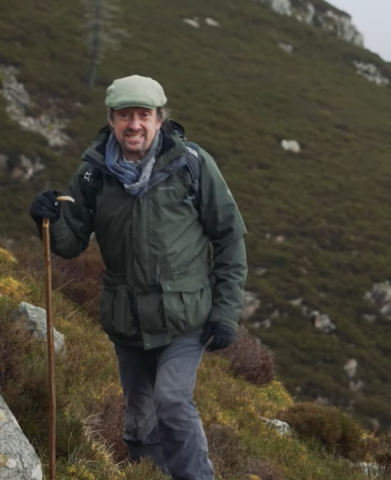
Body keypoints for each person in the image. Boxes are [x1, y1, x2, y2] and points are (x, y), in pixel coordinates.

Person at [28, 74, 248, 480]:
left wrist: (226, 313)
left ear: (159, 120)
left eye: (143, 115)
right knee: (140, 419)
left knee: (172, 400)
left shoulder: (191, 165)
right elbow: (72, 242)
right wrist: (50, 219)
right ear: (111, 120)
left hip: (185, 318)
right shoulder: (94, 173)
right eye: (125, 115)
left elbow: (230, 238)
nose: (135, 124)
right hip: (127, 320)